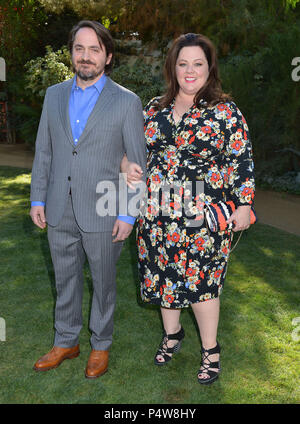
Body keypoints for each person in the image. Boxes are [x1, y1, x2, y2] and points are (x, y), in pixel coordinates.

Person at [121, 33, 255, 385]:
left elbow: (240, 159)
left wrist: (243, 204)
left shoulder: (225, 111)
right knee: (164, 278)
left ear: (210, 68)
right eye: (183, 63)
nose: (190, 70)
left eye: (198, 63)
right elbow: (134, 151)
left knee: (203, 284)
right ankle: (172, 334)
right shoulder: (153, 108)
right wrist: (126, 165)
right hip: (157, 213)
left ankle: (210, 351)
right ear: (172, 67)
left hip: (203, 217)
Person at [30, 20, 146, 379]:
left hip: (104, 208)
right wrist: (38, 198)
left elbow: (137, 164)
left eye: (94, 49)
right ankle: (66, 341)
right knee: (65, 279)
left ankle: (100, 345)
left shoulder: (126, 102)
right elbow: (44, 151)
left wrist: (128, 215)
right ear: (71, 54)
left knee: (103, 282)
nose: (86, 56)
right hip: (58, 207)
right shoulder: (54, 95)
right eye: (79, 48)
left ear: (108, 56)